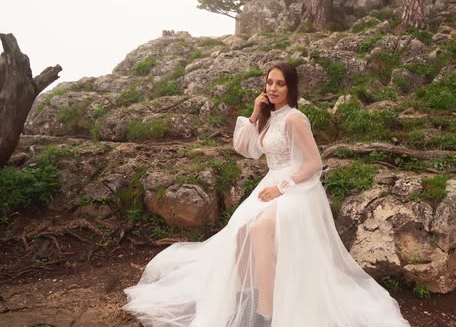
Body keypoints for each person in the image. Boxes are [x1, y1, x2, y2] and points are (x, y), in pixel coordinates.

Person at [122, 62, 411, 327]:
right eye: (269, 82)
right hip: (271, 182)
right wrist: (254, 113)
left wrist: (282, 188)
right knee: (240, 232)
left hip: (298, 188)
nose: (272, 88)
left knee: (260, 228)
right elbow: (246, 149)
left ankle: (267, 310)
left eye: (280, 83)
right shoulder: (270, 118)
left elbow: (314, 164)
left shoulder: (295, 119)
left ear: (291, 88)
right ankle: (247, 291)